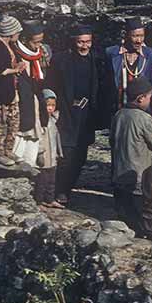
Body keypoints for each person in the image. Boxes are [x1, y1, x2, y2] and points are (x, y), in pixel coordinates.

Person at [49, 25, 108, 203]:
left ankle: (67, 189)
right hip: (66, 112)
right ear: (74, 41)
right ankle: (58, 190)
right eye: (81, 42)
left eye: (88, 42)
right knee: (66, 153)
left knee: (81, 155)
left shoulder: (97, 59)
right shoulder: (61, 60)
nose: (84, 46)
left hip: (87, 114)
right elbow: (51, 84)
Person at [111, 76, 152, 233]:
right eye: (149, 97)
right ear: (141, 99)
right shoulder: (144, 119)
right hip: (139, 174)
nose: (150, 100)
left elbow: (112, 140)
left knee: (124, 207)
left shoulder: (119, 115)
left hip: (119, 171)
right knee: (138, 210)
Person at [0, 15, 25, 160]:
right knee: (0, 124)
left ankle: (9, 150)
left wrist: (18, 66)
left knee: (13, 122)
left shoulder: (11, 46)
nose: (18, 35)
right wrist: (15, 70)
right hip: (0, 92)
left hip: (11, 91)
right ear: (11, 32)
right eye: (17, 32)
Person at [13, 21, 49, 166]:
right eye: (35, 42)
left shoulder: (41, 54)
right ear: (24, 40)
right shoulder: (16, 55)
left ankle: (31, 163)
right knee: (21, 135)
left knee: (34, 133)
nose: (38, 46)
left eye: (41, 42)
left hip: (35, 101)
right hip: (21, 101)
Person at [106, 18, 152, 112]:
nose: (139, 40)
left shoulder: (150, 55)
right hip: (118, 106)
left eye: (142, 36)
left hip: (140, 109)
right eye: (135, 36)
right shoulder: (112, 53)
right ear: (126, 35)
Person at [35, 89, 64, 209]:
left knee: (52, 181)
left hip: (53, 157)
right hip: (44, 156)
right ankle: (39, 201)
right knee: (42, 181)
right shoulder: (40, 121)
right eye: (48, 105)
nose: (50, 108)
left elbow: (57, 138)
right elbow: (38, 138)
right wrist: (40, 152)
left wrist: (59, 152)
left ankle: (50, 199)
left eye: (53, 105)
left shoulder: (53, 120)